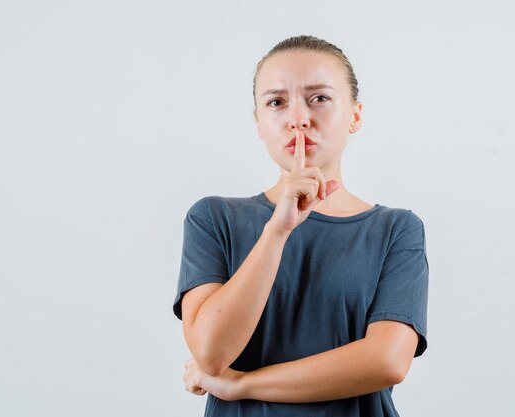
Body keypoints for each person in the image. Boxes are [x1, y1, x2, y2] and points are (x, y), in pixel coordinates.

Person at [173, 34, 429, 416]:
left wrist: (242, 384)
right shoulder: (213, 219)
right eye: (276, 102)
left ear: (355, 115)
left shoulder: (395, 229)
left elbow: (387, 361)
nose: (298, 119)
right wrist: (277, 230)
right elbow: (211, 353)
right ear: (260, 122)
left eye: (320, 98)